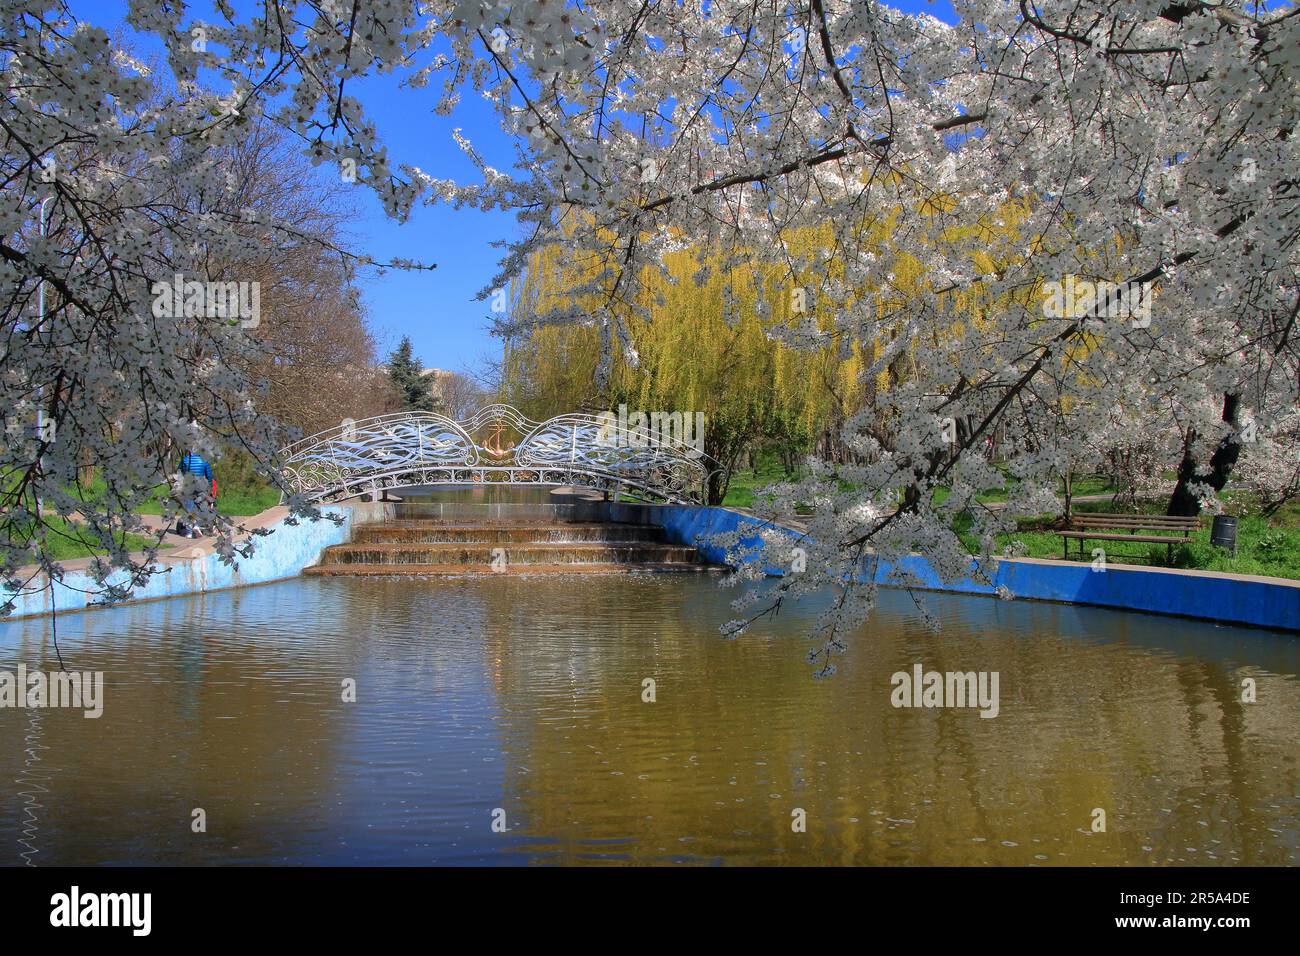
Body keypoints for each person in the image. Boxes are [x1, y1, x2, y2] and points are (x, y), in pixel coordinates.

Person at [175, 450, 216, 538]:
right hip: (201, 486)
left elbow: (179, 473)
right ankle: (196, 526)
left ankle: (189, 532)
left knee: (189, 509)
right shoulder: (204, 461)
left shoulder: (185, 460)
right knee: (199, 507)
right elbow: (209, 477)